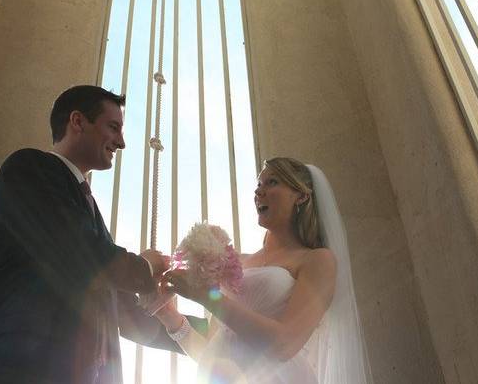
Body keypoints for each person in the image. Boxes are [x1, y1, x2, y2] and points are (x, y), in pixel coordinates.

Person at [0, 85, 182, 384]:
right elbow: (82, 254)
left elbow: (127, 315)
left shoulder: (90, 215)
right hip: (20, 371)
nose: (122, 142)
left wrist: (208, 331)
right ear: (77, 121)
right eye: (113, 127)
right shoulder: (27, 167)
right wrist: (146, 266)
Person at [155, 157, 372, 383]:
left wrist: (204, 296)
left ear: (301, 195)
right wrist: (170, 318)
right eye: (259, 185)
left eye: (272, 182)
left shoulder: (317, 260)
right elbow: (213, 354)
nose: (259, 192)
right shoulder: (237, 263)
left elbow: (285, 344)